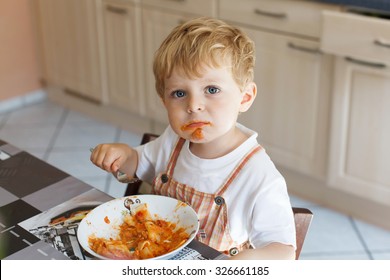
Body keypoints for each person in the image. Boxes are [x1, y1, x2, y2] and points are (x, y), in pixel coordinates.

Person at [90, 17, 296, 260]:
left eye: (211, 90)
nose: (194, 105)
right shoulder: (172, 141)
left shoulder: (258, 175)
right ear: (164, 102)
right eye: (179, 93)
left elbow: (283, 251)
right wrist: (122, 156)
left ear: (245, 97)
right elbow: (137, 165)